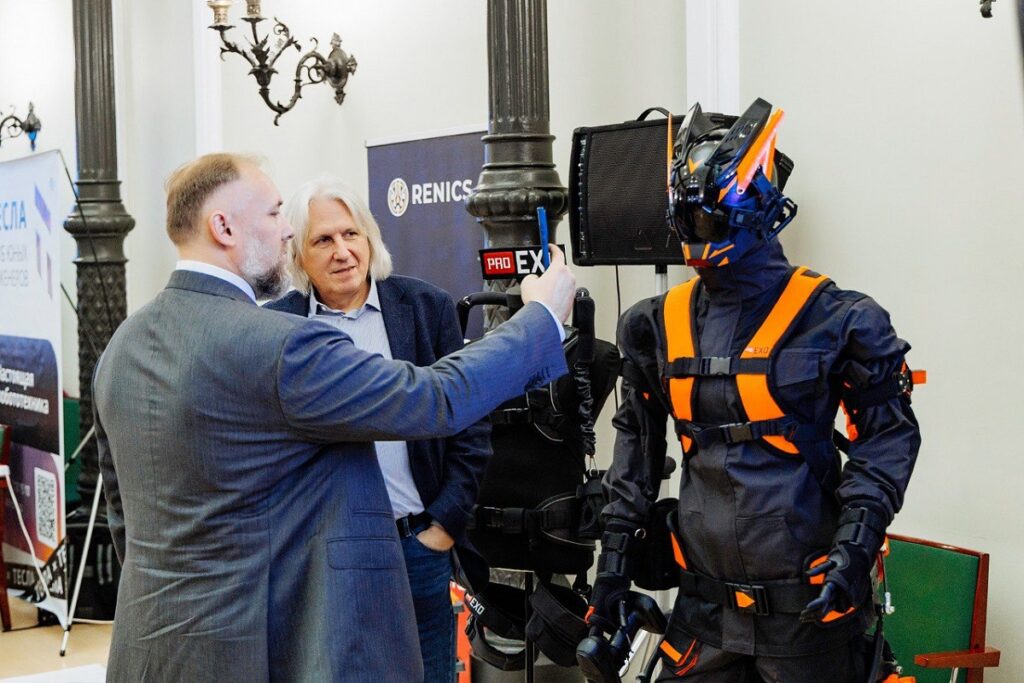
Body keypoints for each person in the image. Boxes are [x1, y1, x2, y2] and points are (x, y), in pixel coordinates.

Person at [93, 153, 575, 683]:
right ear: (223, 227)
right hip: (256, 648)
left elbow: (124, 515)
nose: (286, 233)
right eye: (274, 214)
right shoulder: (281, 345)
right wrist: (541, 317)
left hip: (147, 650)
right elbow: (435, 398)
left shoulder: (122, 347)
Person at [588, 99, 921, 682]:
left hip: (808, 618)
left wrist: (857, 541)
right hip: (702, 618)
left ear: (756, 209)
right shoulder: (653, 327)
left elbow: (888, 437)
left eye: (709, 220)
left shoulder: (839, 319)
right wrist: (612, 567)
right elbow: (634, 458)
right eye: (687, 219)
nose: (696, 235)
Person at [264, 176, 490, 682]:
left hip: (416, 546)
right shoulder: (277, 328)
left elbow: (470, 425)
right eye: (323, 240)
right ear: (298, 255)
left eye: (352, 234)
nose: (342, 251)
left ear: (370, 239)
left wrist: (443, 527)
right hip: (322, 559)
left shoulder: (426, 308)